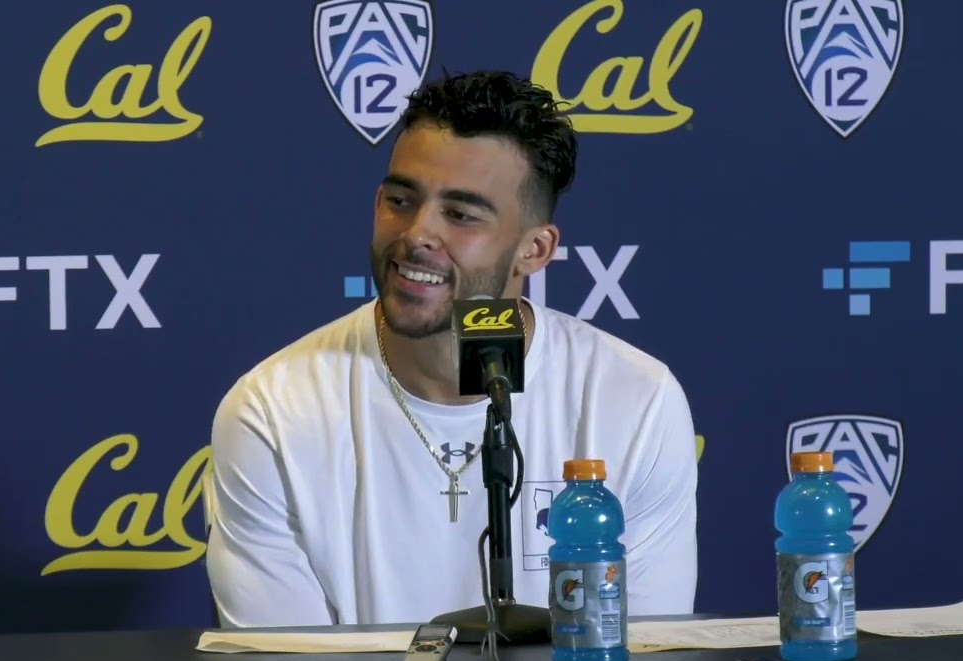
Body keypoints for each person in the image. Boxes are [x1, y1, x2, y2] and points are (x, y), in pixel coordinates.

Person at [205, 70, 699, 628]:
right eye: (400, 199)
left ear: (534, 250)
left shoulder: (636, 399)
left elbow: (650, 660)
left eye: (460, 214)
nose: (417, 232)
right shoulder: (269, 412)